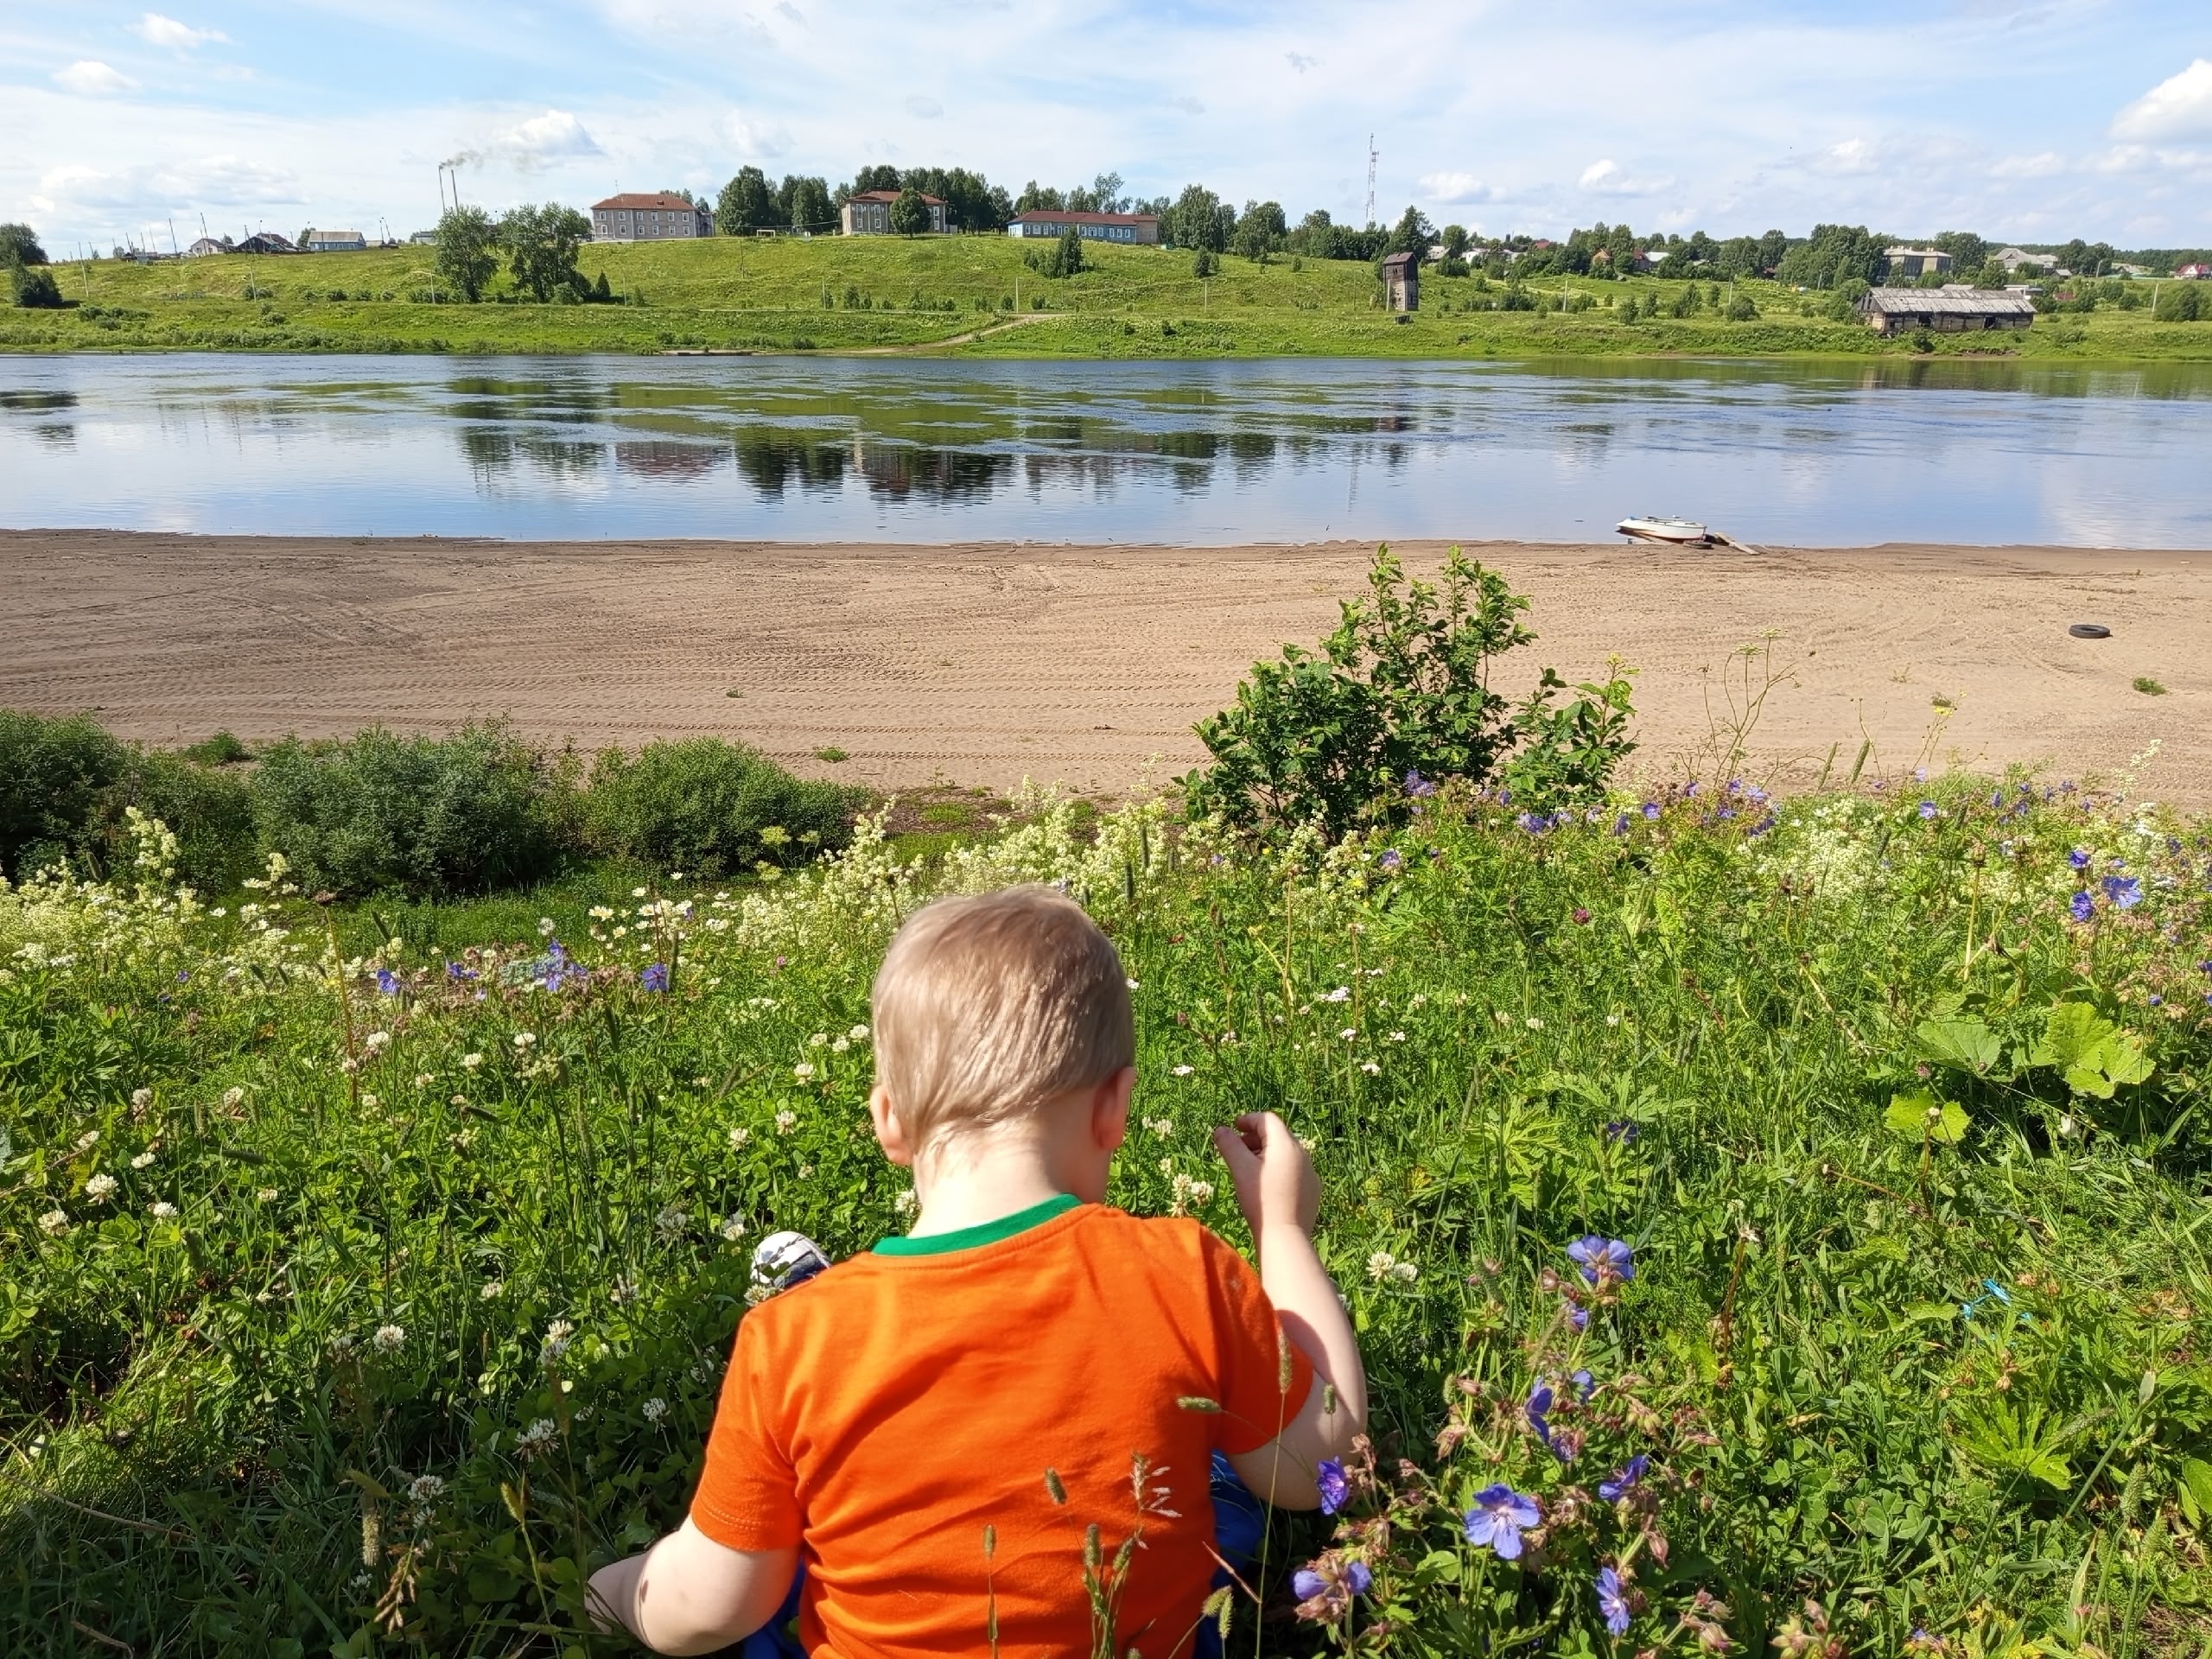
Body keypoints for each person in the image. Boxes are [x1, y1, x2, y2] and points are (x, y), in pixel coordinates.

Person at [588, 885, 1367, 1657]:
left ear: (888, 1121)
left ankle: (821, 1286)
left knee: (787, 1555)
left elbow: (709, 1603)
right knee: (1219, 1476)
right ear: (1115, 1109)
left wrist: (617, 1590)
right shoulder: (1185, 1269)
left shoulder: (788, 1343)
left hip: (836, 1362)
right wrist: (1283, 1229)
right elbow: (1321, 1464)